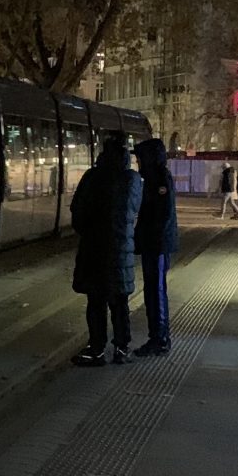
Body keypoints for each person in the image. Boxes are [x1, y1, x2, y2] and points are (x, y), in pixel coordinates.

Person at [69, 132, 144, 367]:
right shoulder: (132, 179)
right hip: (122, 250)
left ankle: (97, 350)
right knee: (120, 303)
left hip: (94, 250)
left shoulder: (92, 177)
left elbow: (77, 212)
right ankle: (122, 349)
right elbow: (135, 210)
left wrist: (90, 233)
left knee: (96, 302)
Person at [133, 138, 179, 355]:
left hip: (157, 245)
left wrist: (149, 237)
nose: (138, 163)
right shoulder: (154, 177)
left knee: (156, 290)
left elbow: (163, 214)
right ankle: (157, 336)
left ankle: (160, 339)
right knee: (153, 290)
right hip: (154, 244)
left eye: (140, 158)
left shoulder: (159, 178)